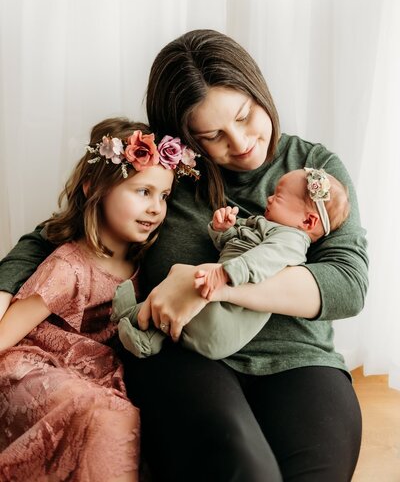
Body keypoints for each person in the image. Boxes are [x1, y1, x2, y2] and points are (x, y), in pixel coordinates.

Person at [0, 30, 368, 482]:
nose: (241, 143)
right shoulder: (166, 172)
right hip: (184, 357)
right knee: (245, 470)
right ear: (185, 135)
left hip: (299, 360)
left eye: (246, 115)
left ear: (258, 90)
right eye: (213, 134)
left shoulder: (313, 170)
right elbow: (56, 234)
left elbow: (347, 284)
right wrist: (4, 292)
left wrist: (206, 285)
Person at [0, 116, 199, 482]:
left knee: (139, 418)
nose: (156, 208)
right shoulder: (69, 265)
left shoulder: (146, 267)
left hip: (93, 372)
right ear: (95, 189)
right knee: (111, 416)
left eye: (164, 196)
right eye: (143, 192)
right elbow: (7, 334)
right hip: (33, 367)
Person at [112, 167, 350, 361]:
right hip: (215, 322)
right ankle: (145, 341)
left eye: (277, 196)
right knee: (176, 313)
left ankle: (129, 314)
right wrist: (222, 231)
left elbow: (260, 261)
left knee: (190, 285)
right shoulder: (266, 227)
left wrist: (224, 274)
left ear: (308, 221)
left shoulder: (291, 240)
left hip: (227, 319)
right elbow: (234, 247)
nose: (268, 198)